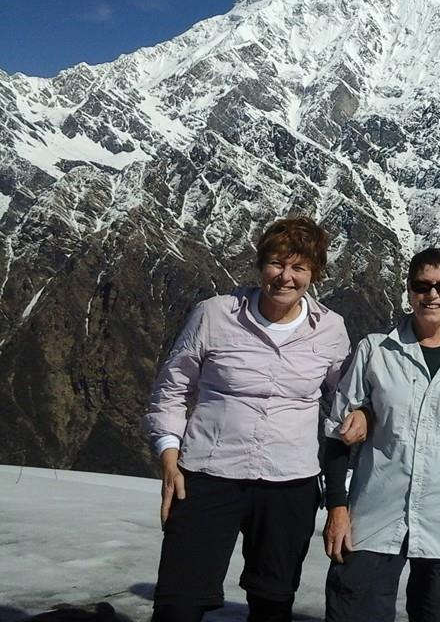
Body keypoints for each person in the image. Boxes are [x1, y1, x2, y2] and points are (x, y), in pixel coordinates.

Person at [142, 216, 360, 622]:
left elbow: (343, 401)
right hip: (208, 475)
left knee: (272, 602)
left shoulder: (331, 329)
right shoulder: (214, 315)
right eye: (276, 263)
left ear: (314, 274)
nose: (285, 277)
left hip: (289, 483)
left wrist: (361, 415)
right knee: (178, 602)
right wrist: (169, 458)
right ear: (261, 265)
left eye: (299, 268)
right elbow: (171, 390)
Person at [322, 248, 440, 622]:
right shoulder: (375, 350)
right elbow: (336, 432)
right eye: (422, 285)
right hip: (374, 511)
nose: (432, 295)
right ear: (409, 288)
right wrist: (336, 508)